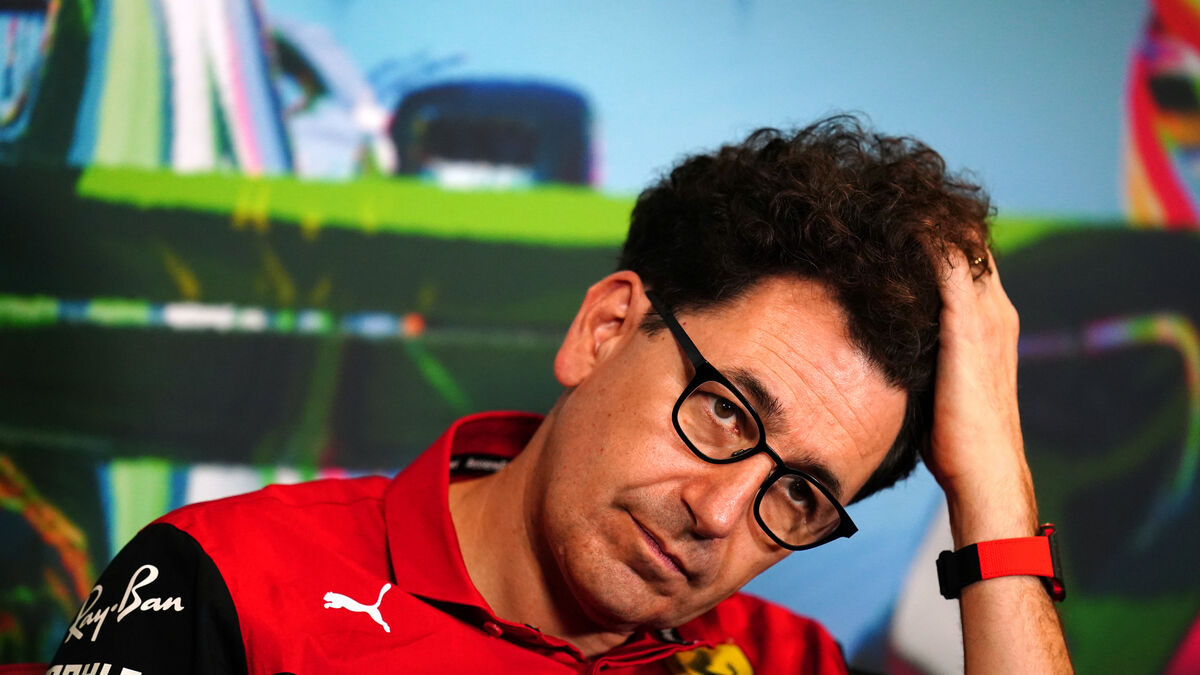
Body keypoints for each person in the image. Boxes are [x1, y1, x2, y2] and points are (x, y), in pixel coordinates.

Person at [46, 115, 1072, 674]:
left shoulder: (782, 662)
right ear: (606, 329)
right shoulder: (233, 582)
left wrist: (992, 483)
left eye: (799, 493)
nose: (720, 514)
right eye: (726, 410)